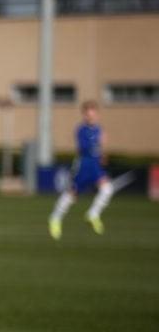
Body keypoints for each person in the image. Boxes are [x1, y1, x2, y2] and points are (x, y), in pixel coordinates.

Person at [48, 100, 113, 240]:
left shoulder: (99, 129)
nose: (91, 117)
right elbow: (84, 148)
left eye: (93, 114)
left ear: (97, 114)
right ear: (84, 115)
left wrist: (103, 153)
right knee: (73, 194)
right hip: (84, 165)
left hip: (95, 166)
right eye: (88, 115)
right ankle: (55, 218)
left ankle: (93, 214)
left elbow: (100, 149)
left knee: (107, 188)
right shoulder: (82, 130)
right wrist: (100, 144)